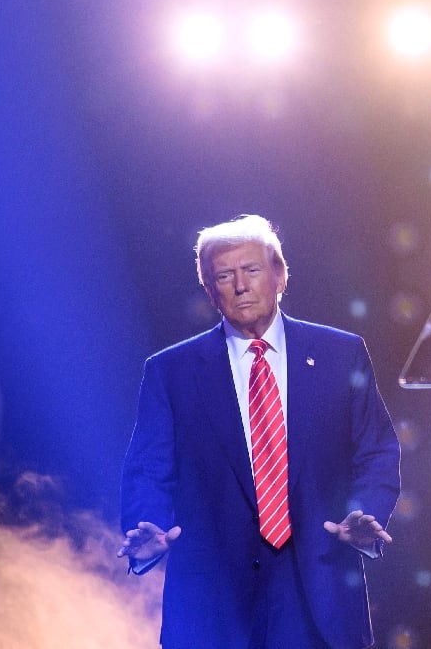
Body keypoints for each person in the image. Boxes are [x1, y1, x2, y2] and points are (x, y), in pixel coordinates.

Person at [120, 214, 402, 649]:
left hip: (319, 585)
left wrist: (363, 513)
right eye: (223, 276)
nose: (240, 285)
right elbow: (148, 468)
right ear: (210, 290)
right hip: (213, 600)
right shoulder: (170, 371)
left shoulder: (341, 354)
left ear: (279, 275)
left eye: (251, 270)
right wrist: (150, 528)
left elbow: (376, 450)